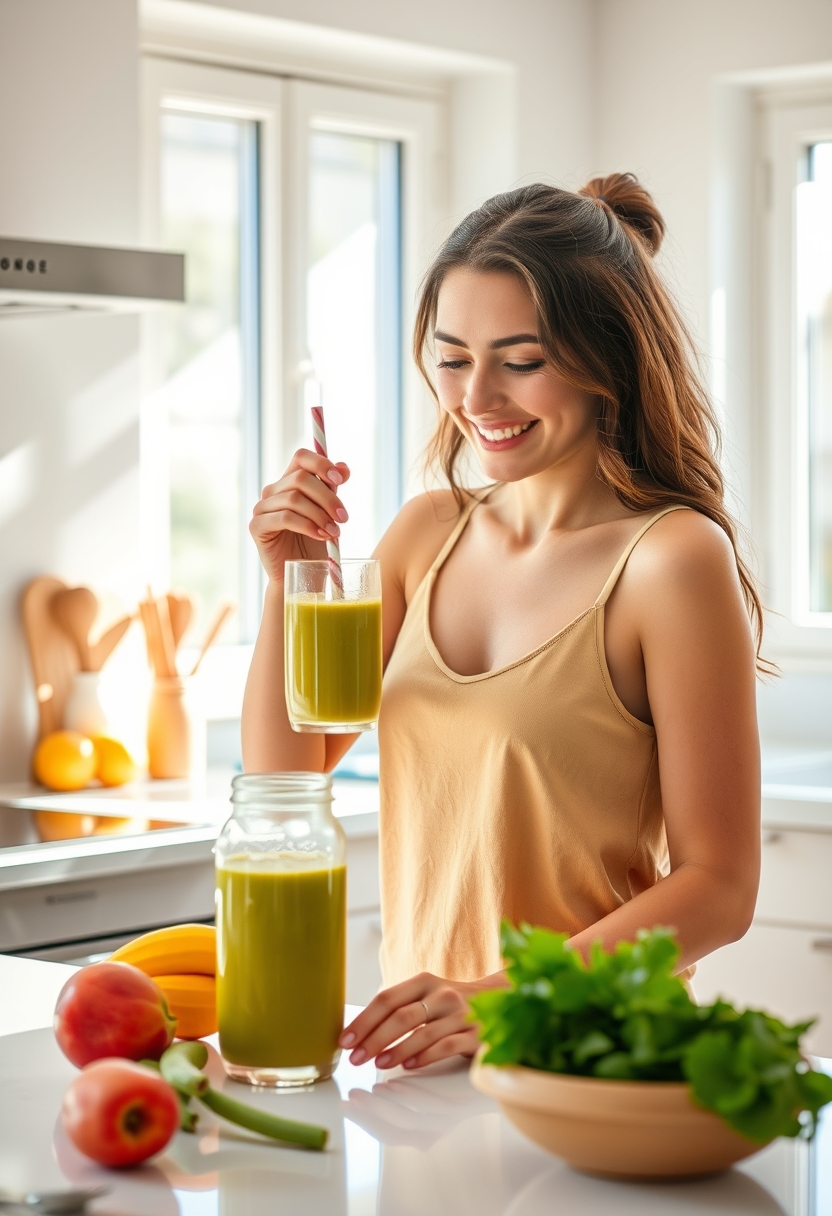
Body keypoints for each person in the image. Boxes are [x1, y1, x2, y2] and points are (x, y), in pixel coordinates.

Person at [242, 173, 762, 1076]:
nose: (476, 396)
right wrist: (292, 584)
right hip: (421, 1068)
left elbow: (718, 889)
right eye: (451, 356)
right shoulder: (423, 534)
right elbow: (284, 772)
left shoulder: (669, 560)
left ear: (611, 360)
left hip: (588, 1058)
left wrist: (501, 1000)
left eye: (521, 360)